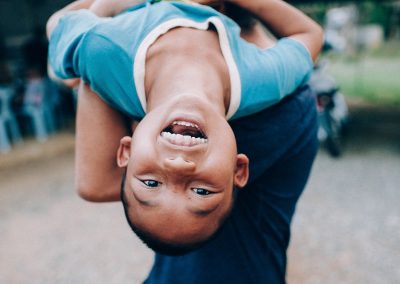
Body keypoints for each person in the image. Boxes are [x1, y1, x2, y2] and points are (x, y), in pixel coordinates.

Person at [47, 0, 323, 255]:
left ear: (126, 151)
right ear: (238, 170)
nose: (179, 166)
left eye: (151, 183)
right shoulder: (261, 81)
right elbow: (309, 35)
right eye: (201, 191)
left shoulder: (102, 53)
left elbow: (58, 26)